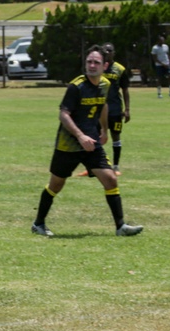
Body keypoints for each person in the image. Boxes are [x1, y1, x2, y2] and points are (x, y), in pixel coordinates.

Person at [31, 46, 144, 238]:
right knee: (56, 185)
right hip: (68, 144)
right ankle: (38, 223)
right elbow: (64, 114)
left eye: (96, 62)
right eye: (89, 62)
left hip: (92, 142)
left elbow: (103, 105)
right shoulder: (76, 87)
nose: (92, 65)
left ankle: (120, 226)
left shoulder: (105, 84)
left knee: (110, 179)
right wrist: (80, 136)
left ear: (105, 65)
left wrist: (104, 130)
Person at [79, 42, 130, 177]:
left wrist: (127, 109)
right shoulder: (98, 67)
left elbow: (125, 90)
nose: (107, 53)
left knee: (115, 136)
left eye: (109, 51)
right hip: (98, 109)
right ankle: (92, 168)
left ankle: (115, 166)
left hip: (115, 110)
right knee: (93, 137)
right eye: (105, 51)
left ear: (114, 53)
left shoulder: (120, 69)